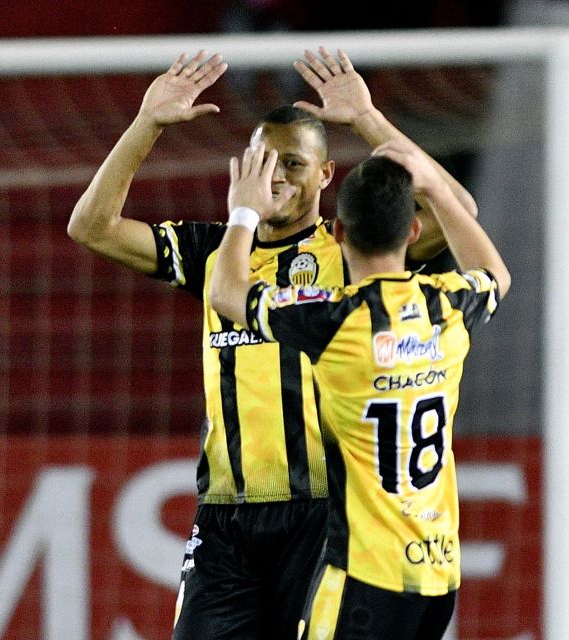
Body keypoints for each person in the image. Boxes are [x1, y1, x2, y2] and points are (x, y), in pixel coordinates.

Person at [67, 48, 476, 639]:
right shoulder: (218, 252)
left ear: (327, 174)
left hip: (325, 515)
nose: (277, 174)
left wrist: (366, 119)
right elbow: (92, 227)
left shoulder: (355, 253)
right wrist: (145, 125)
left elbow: (456, 210)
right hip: (227, 519)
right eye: (265, 160)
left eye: (294, 162)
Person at [207, 137, 510, 639]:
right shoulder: (448, 307)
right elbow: (494, 273)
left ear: (340, 232)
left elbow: (223, 291)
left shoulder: (333, 319)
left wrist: (243, 213)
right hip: (436, 572)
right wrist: (435, 187)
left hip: (365, 574)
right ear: (414, 230)